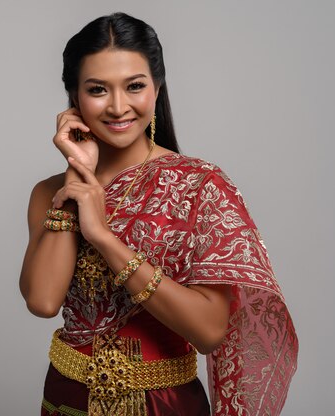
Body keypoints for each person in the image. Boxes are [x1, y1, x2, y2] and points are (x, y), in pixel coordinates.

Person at [19, 12, 298, 416]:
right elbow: (44, 301)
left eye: (134, 86)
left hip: (162, 405)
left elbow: (208, 332)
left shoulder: (201, 187)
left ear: (157, 87)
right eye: (98, 89)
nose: (118, 107)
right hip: (66, 401)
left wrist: (102, 236)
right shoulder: (50, 191)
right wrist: (79, 172)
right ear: (74, 97)